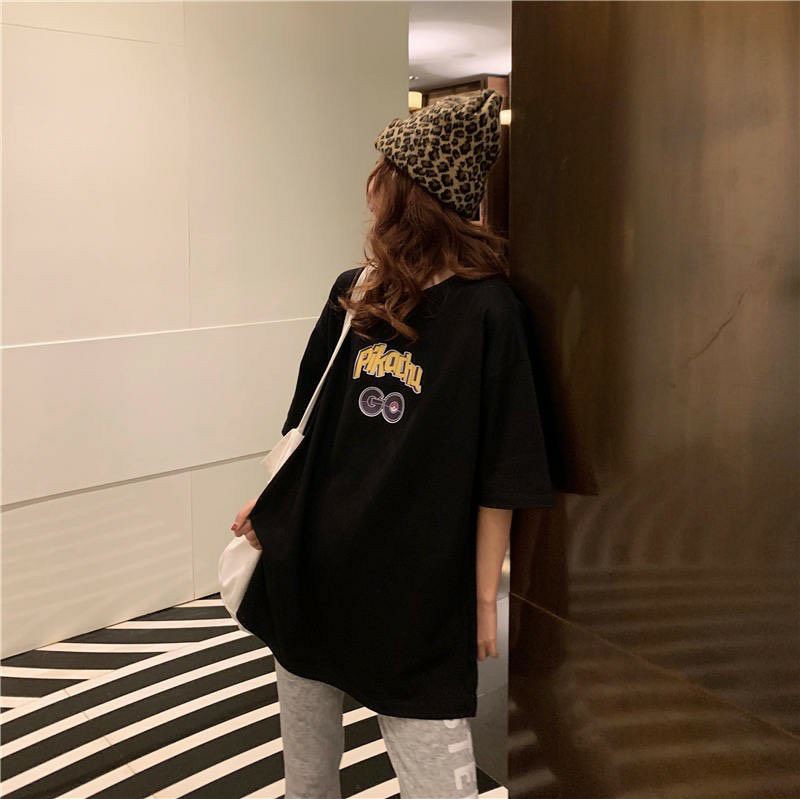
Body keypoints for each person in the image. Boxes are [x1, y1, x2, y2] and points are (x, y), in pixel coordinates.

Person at [229, 88, 554, 799]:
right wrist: (269, 504)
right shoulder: (356, 292)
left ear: (410, 192)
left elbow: (503, 469)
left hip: (415, 591)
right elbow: (308, 422)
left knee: (437, 778)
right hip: (311, 562)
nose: (370, 187)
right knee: (308, 775)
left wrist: (482, 599)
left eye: (383, 172)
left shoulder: (488, 311)